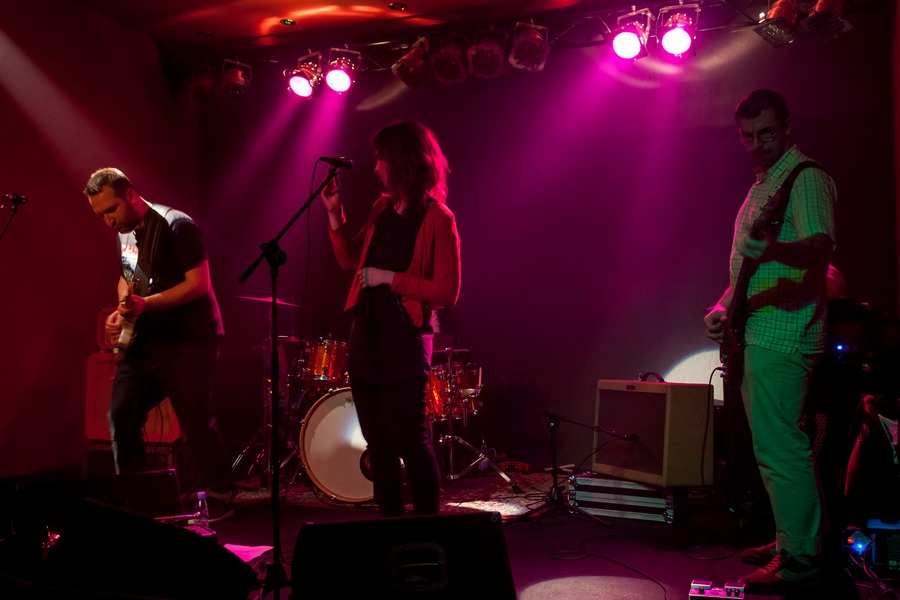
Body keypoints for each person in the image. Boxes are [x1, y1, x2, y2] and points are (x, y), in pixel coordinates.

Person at [703, 89, 836, 592]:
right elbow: (750, 269)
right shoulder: (768, 183)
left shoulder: (805, 177)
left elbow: (819, 247)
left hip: (784, 335)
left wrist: (774, 249)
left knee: (781, 450)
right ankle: (793, 542)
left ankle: (800, 559)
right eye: (747, 136)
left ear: (787, 127)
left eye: (767, 133)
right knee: (778, 448)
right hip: (763, 333)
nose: (757, 143)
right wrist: (722, 308)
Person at [320, 120, 461, 516]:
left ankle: (427, 529)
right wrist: (334, 214)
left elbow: (447, 292)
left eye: (381, 159)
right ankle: (390, 528)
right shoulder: (381, 209)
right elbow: (350, 259)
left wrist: (388, 278)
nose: (376, 167)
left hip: (405, 340)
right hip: (366, 335)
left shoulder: (439, 219)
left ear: (402, 163)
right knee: (378, 445)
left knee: (412, 443)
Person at [84, 168, 235, 515]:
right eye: (101, 215)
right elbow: (126, 277)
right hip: (146, 340)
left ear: (130, 195)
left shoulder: (176, 225)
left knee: (195, 419)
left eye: (111, 210)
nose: (107, 221)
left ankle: (222, 493)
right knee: (121, 413)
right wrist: (122, 309)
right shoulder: (123, 232)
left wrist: (146, 304)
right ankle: (137, 498)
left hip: (188, 340)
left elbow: (199, 284)